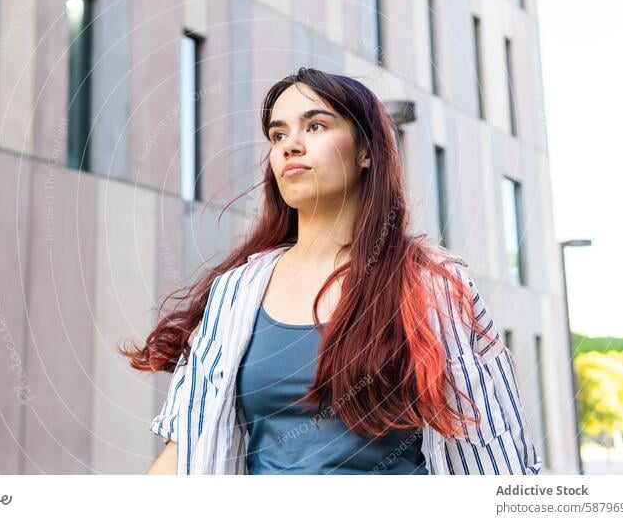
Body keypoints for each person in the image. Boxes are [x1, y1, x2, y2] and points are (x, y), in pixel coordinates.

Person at [121, 67, 542, 476]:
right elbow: (186, 451)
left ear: (365, 151)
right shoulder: (235, 293)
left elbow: (493, 456)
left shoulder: (432, 286)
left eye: (316, 126)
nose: (290, 146)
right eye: (278, 134)